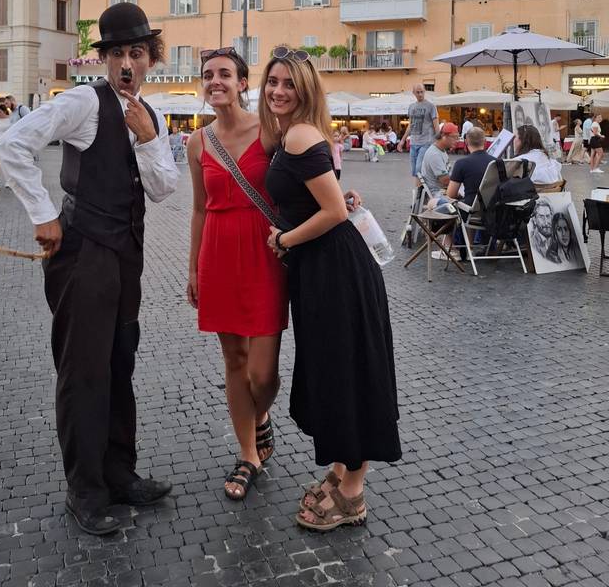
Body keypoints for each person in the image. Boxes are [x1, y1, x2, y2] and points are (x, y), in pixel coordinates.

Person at [0, 2, 179, 536]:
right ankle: (85, 490)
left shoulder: (153, 115)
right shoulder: (82, 102)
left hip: (127, 255)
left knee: (120, 362)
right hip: (83, 254)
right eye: (117, 53)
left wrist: (149, 138)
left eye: (136, 53)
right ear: (104, 59)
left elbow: (163, 188)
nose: (126, 63)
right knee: (84, 371)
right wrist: (43, 214)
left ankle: (119, 473)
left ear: (151, 59)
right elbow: (12, 144)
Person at [259, 46, 401, 531]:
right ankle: (341, 472)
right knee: (340, 369)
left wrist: (284, 240)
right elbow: (326, 197)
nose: (278, 91)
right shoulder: (295, 132)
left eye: (289, 84)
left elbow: (333, 213)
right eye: (273, 81)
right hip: (326, 269)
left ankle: (352, 492)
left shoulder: (299, 134)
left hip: (335, 272)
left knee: (347, 372)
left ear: (306, 91)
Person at [186, 47, 287, 501]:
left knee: (263, 374)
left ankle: (260, 415)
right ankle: (248, 454)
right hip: (219, 254)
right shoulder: (197, 142)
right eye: (208, 74)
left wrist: (338, 196)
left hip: (264, 253)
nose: (215, 81)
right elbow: (199, 208)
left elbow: (302, 179)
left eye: (225, 73)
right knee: (234, 361)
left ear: (243, 83)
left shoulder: (271, 129)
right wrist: (193, 267)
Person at [397, 84, 439, 185]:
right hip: (413, 142)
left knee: (419, 168)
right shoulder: (411, 107)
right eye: (418, 92)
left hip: (426, 142)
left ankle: (421, 191)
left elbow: (436, 124)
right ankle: (419, 190)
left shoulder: (431, 106)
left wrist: (439, 140)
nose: (420, 94)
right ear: (413, 93)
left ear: (424, 91)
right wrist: (402, 140)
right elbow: (410, 125)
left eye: (422, 92)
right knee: (415, 171)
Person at [446, 126, 493, 209]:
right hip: (492, 209)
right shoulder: (495, 162)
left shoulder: (461, 163)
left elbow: (451, 195)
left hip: (469, 209)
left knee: (433, 202)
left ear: (466, 142)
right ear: (485, 142)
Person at [420, 123, 460, 199]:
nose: (456, 140)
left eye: (457, 137)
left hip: (442, 189)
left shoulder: (441, 150)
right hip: (437, 192)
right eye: (454, 137)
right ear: (443, 136)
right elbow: (445, 181)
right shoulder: (434, 154)